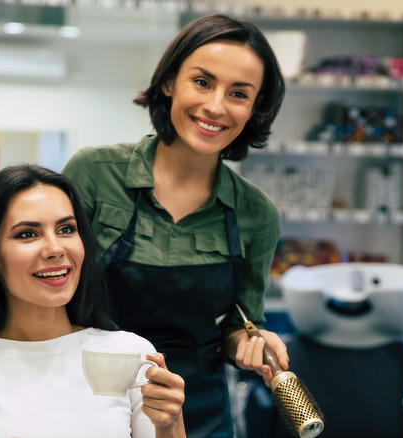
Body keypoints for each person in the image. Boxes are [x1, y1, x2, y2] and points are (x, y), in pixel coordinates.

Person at [62, 14, 289, 437]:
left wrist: (251, 345)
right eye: (202, 82)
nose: (216, 106)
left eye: (239, 93)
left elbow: (239, 322)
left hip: (198, 409)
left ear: (255, 107)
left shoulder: (256, 214)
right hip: (91, 402)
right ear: (169, 82)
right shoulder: (94, 173)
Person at [0, 164, 186, 438]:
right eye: (28, 234)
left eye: (66, 229)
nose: (55, 249)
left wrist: (169, 425)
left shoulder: (130, 354)